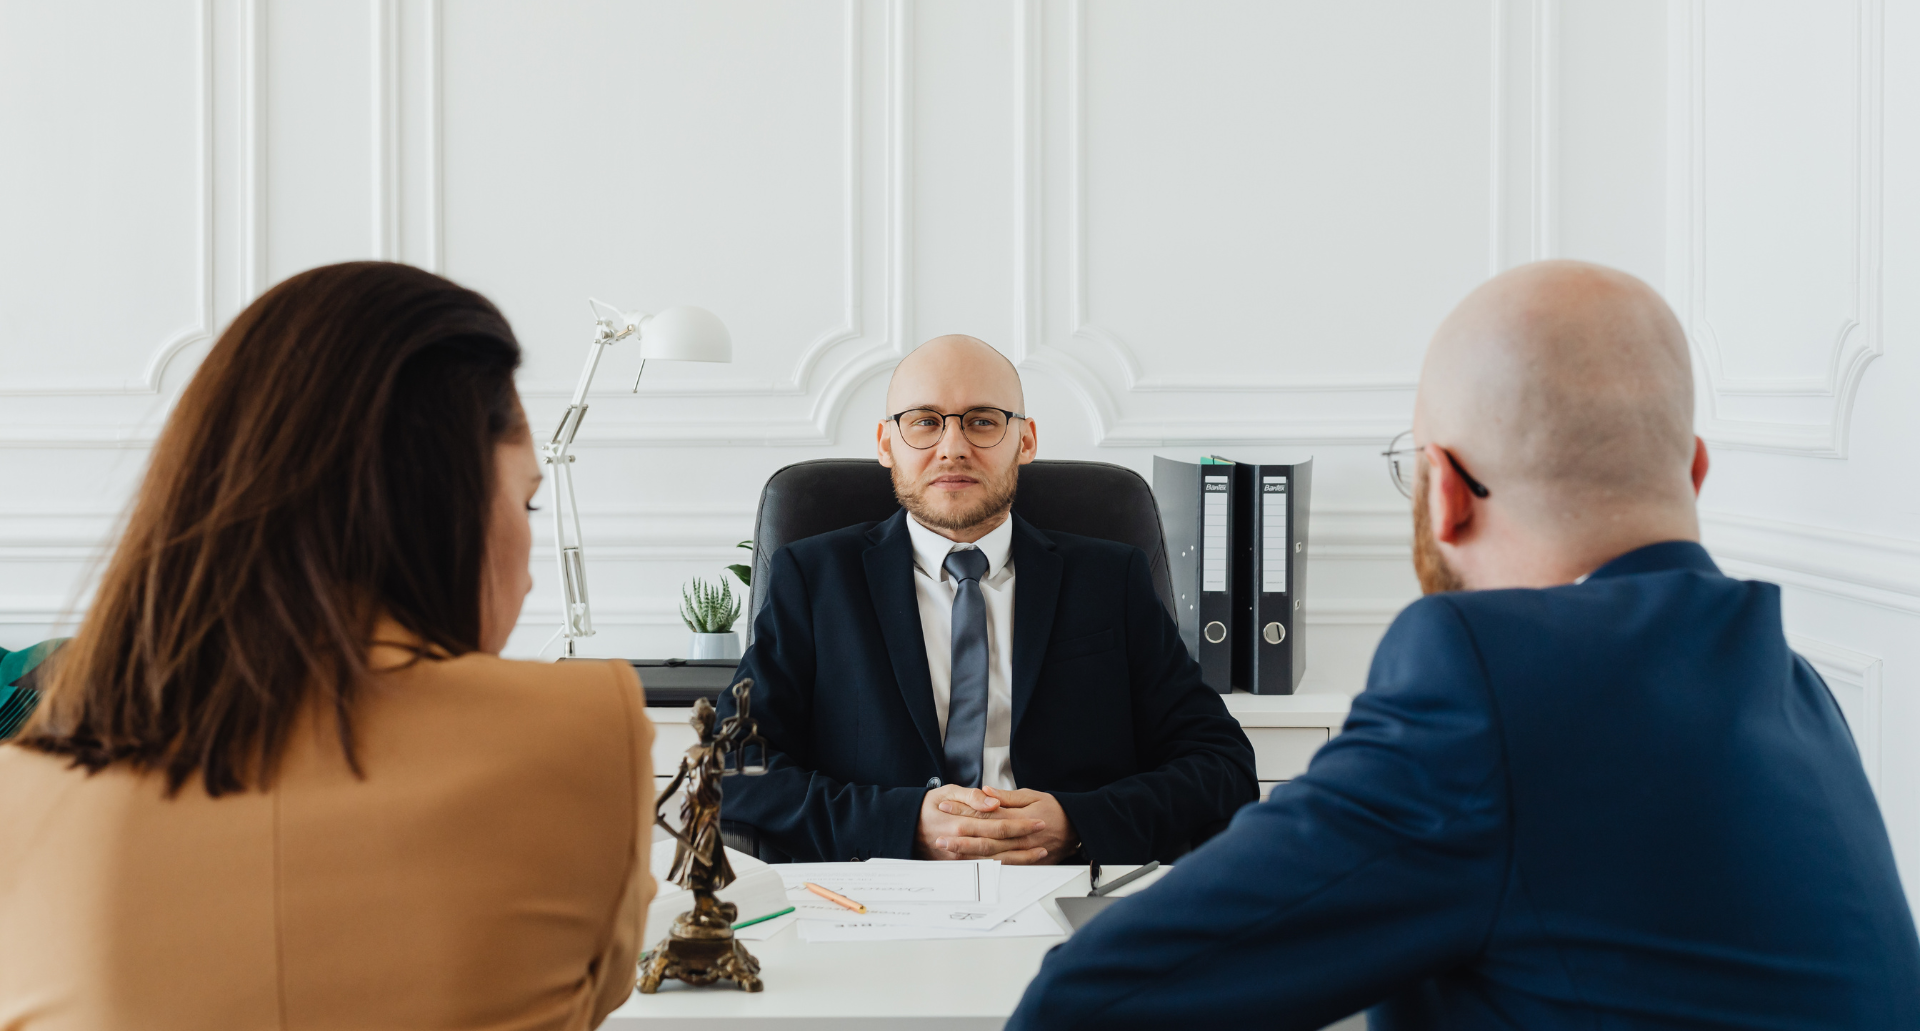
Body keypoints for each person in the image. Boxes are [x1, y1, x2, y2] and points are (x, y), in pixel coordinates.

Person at [1010, 261, 1920, 1029]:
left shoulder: (1494, 682)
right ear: (1695, 470)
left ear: (1443, 490)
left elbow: (1084, 1005)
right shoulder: (1797, 690)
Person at [0, 262, 656, 1031]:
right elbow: (603, 982)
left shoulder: (24, 792)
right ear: (442, 503)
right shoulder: (587, 726)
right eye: (528, 503)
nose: (534, 574)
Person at [717, 334, 1256, 865]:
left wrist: (1078, 824)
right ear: (886, 443)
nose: (953, 447)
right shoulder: (814, 578)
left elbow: (1222, 765)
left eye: (982, 421)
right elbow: (731, 765)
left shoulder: (1111, 579)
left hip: (1065, 884)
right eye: (924, 421)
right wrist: (902, 823)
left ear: (1026, 441)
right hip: (882, 885)